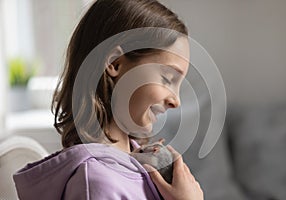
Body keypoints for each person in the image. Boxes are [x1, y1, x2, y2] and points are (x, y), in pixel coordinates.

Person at [13, 0, 203, 199]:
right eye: (167, 78)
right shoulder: (96, 184)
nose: (176, 101)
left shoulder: (142, 163)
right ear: (115, 63)